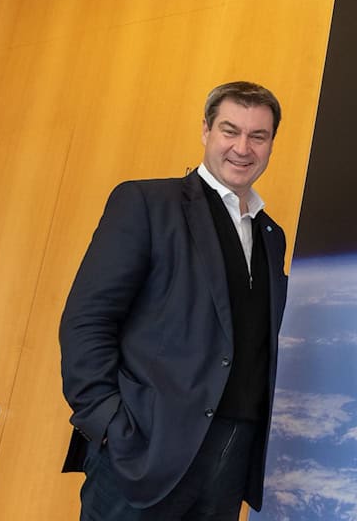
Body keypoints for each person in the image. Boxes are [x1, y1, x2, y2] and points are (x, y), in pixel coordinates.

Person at [60, 81, 288, 519]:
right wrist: (108, 424)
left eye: (258, 136)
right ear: (205, 131)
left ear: (271, 144)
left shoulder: (269, 235)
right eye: (230, 130)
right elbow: (87, 321)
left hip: (230, 458)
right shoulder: (147, 203)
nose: (243, 147)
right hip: (142, 449)